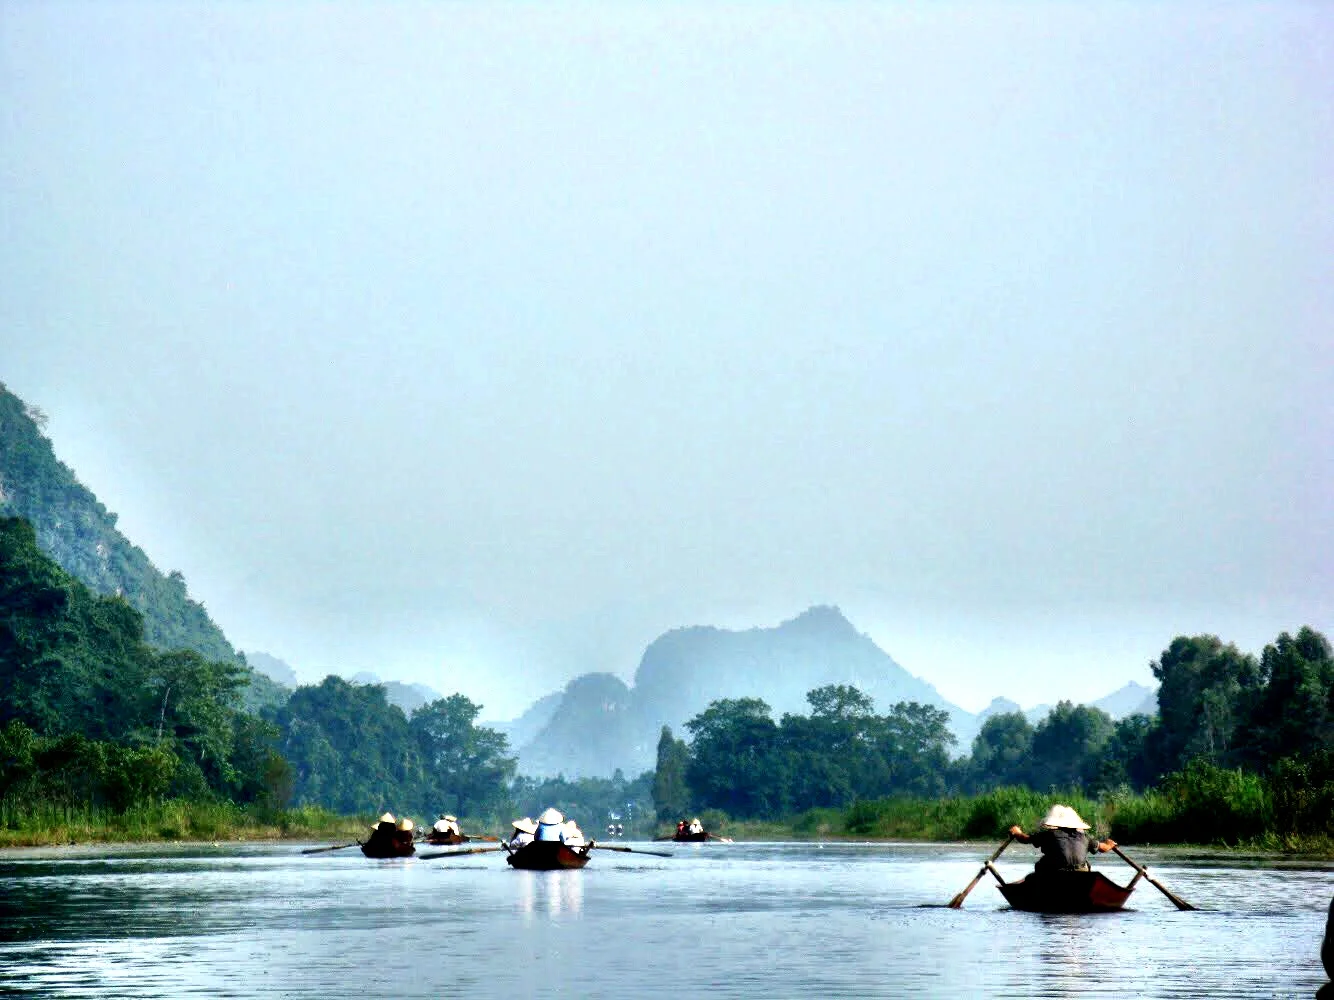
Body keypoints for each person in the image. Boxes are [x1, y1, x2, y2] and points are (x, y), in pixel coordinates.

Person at [1008, 804, 1116, 875]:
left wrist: (1017, 832)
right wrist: (1110, 844)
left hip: (1056, 873)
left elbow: (1025, 839)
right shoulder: (1085, 837)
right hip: (1081, 874)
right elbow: (1104, 848)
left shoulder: (1048, 835)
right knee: (1085, 865)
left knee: (1040, 864)